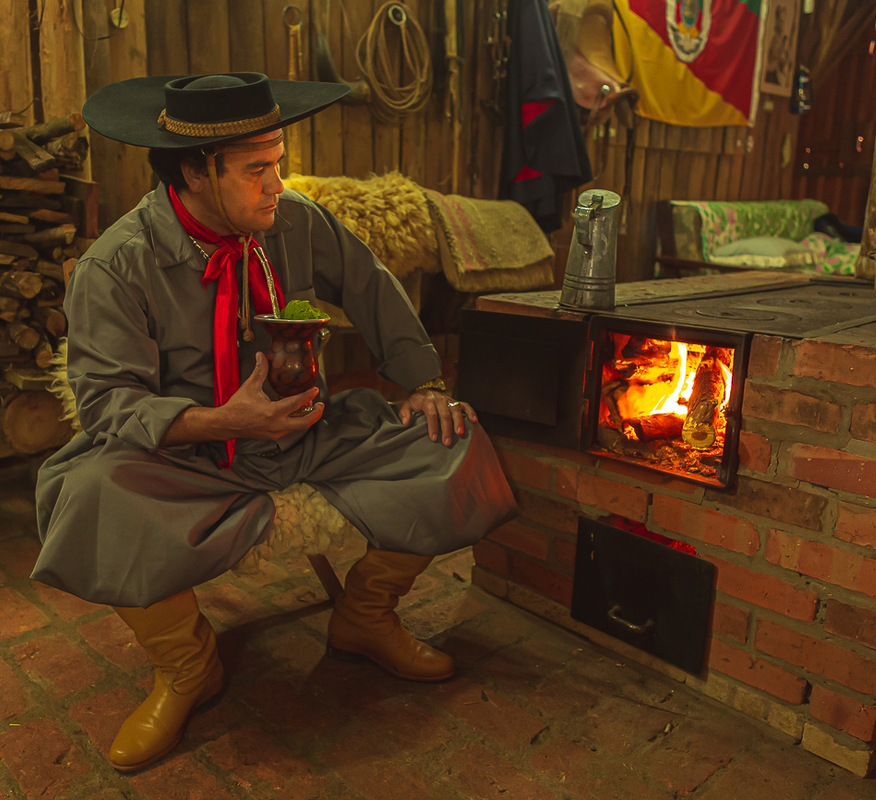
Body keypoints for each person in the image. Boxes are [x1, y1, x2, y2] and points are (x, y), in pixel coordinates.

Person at [32, 73, 518, 772]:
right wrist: (222, 420)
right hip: (192, 456)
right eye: (256, 169)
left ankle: (365, 617)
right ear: (195, 172)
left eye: (279, 163)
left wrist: (423, 381)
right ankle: (189, 668)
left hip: (309, 433)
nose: (277, 185)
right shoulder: (117, 264)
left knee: (453, 439)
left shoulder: (295, 221)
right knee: (88, 497)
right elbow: (109, 402)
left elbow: (369, 284)